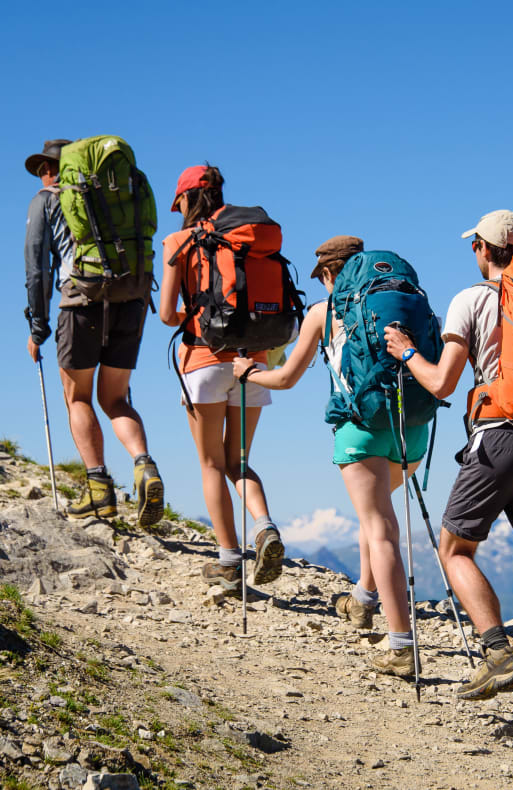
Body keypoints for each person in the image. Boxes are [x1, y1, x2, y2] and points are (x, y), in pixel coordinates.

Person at [385, 210, 513, 740]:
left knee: (454, 550)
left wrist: (405, 354)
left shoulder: (471, 299)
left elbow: (444, 382)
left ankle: (497, 652)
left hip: (498, 437)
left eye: (475, 246)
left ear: (484, 250)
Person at [233, 235, 427, 677]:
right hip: (413, 429)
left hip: (361, 432)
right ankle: (362, 599)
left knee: (379, 526)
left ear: (328, 274)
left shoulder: (324, 313)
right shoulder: (395, 302)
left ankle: (401, 646)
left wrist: (250, 372)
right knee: (375, 514)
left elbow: (285, 378)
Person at [24, 139, 164, 526]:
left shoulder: (46, 202)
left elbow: (38, 269)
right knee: (116, 398)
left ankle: (98, 488)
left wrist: (38, 326)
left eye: (44, 169)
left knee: (78, 397)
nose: (42, 177)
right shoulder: (110, 196)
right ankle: (144, 466)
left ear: (56, 170)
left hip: (80, 302)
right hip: (131, 298)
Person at [159, 164, 285, 594]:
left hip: (204, 360)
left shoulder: (179, 241)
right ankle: (264, 526)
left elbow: (166, 314)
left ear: (183, 200)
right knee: (240, 461)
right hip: (254, 361)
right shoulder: (250, 237)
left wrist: (193, 316)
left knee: (211, 463)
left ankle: (228, 562)